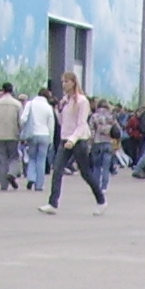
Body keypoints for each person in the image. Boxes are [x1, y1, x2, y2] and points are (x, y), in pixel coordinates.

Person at [39, 72, 106, 215]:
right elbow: (62, 122)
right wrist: (59, 109)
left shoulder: (82, 101)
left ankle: (101, 200)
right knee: (57, 170)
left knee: (85, 173)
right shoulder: (65, 101)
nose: (64, 84)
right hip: (65, 139)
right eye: (63, 81)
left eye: (67, 81)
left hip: (79, 140)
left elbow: (82, 124)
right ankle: (53, 203)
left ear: (74, 82)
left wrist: (73, 139)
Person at [0, 80, 23, 190]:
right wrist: (21, 134)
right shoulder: (17, 104)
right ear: (12, 91)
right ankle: (12, 173)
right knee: (14, 157)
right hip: (13, 134)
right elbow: (20, 121)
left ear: (3, 91)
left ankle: (3, 185)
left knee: (2, 160)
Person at [20, 85, 56, 191]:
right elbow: (51, 125)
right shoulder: (48, 107)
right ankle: (39, 185)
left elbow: (23, 119)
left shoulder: (30, 104)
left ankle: (31, 178)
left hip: (32, 134)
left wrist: (24, 130)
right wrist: (51, 139)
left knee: (32, 158)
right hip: (45, 135)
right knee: (41, 159)